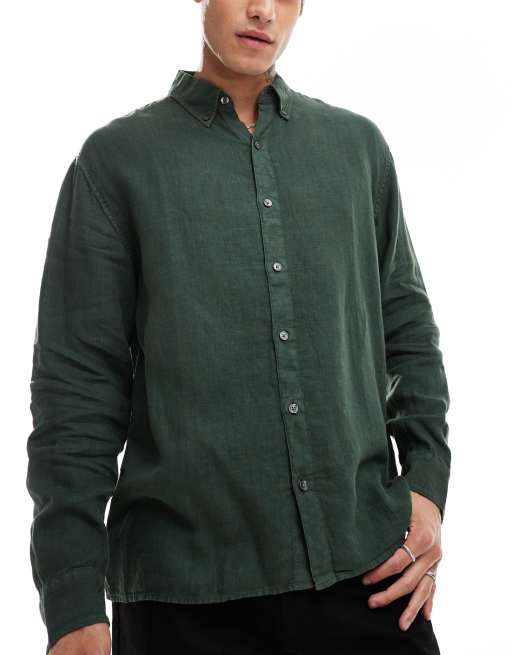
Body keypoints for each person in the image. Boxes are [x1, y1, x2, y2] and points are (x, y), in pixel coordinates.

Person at [26, 1, 451, 653]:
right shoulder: (116, 163)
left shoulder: (356, 149)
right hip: (183, 602)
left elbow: (408, 333)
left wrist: (425, 485)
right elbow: (76, 394)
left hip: (369, 575)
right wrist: (73, 602)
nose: (261, 10)